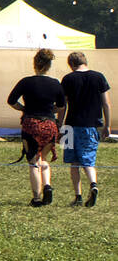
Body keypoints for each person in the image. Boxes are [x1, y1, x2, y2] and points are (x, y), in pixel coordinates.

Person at [8, 48, 66, 206]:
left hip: (31, 124)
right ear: (49, 65)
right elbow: (61, 106)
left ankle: (37, 198)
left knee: (33, 161)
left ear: (35, 64)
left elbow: (11, 100)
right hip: (49, 124)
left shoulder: (26, 82)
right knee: (44, 158)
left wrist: (22, 109)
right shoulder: (55, 84)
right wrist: (50, 110)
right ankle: (47, 185)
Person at [60, 51, 111, 207]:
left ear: (71, 64)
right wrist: (107, 125)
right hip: (90, 126)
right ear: (85, 62)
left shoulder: (68, 79)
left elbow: (63, 105)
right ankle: (93, 184)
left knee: (73, 162)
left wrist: (60, 125)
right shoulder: (99, 77)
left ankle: (78, 196)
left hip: (70, 126)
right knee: (88, 159)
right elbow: (106, 104)